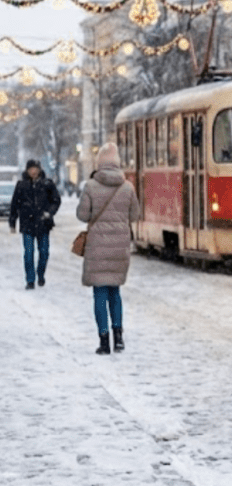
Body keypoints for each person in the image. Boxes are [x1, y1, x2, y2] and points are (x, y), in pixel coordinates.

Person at [77, 143, 140, 355]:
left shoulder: (91, 186)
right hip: (120, 247)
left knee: (100, 294)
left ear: (99, 164)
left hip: (97, 247)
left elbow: (82, 215)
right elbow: (134, 215)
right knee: (115, 292)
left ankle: (104, 341)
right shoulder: (128, 187)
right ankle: (119, 337)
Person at [9, 159, 61, 290]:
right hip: (27, 223)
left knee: (44, 252)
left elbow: (56, 200)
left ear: (39, 170)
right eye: (31, 169)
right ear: (27, 170)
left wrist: (49, 213)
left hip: (43, 223)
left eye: (36, 168)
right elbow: (14, 204)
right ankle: (30, 280)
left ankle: (41, 273)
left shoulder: (47, 184)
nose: (34, 171)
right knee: (28, 253)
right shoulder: (21, 185)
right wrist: (12, 222)